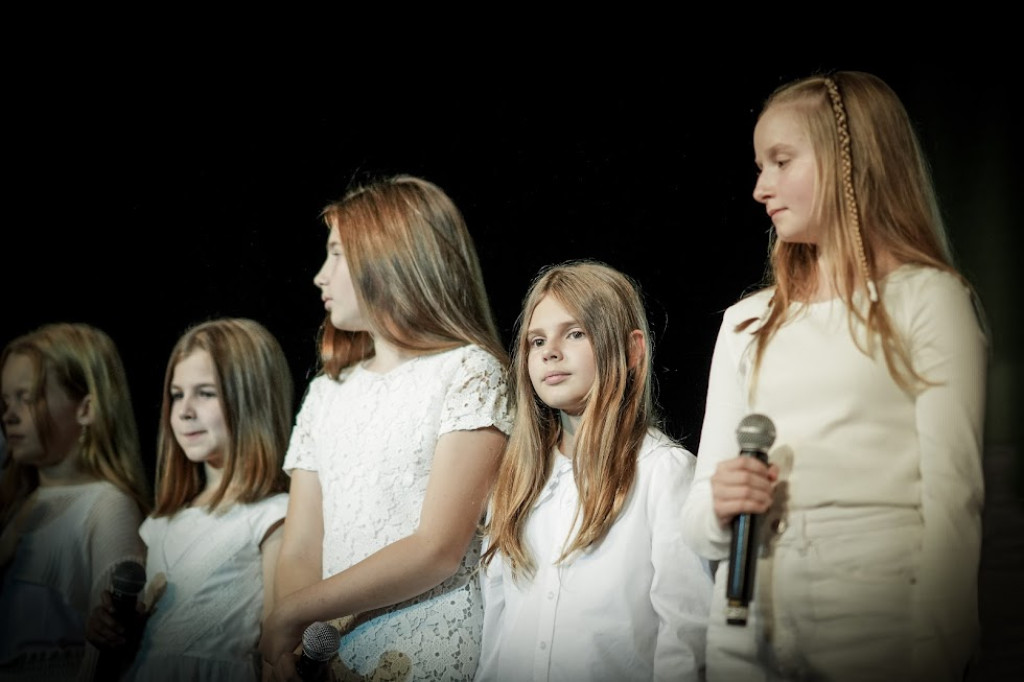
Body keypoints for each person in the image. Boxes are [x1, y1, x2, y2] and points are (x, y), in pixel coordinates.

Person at [679, 70, 989, 681]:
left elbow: (955, 502)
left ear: (852, 162)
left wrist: (939, 654)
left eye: (781, 161)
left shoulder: (929, 301)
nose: (760, 188)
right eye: (759, 165)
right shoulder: (747, 322)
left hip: (878, 631)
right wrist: (720, 507)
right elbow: (698, 521)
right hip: (747, 633)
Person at [259, 175, 512, 681]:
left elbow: (437, 547)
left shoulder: (470, 371)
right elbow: (302, 545)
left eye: (336, 254)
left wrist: (291, 613)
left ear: (389, 256)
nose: (319, 277)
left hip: (425, 646)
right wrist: (294, 642)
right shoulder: (326, 394)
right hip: (324, 651)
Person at [475, 260, 714, 682]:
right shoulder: (516, 479)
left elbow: (685, 631)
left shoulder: (663, 473)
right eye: (536, 340)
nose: (550, 350)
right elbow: (497, 624)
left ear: (631, 350)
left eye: (575, 333)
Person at [88, 317, 294, 681]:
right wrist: (118, 632)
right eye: (177, 394)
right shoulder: (158, 525)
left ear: (252, 398)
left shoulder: (272, 516)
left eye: (206, 393)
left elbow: (277, 648)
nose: (184, 411)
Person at [0, 322, 150, 681]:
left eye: (28, 397)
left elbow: (112, 640)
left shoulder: (106, 506)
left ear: (86, 408)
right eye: (5, 401)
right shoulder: (15, 503)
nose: (8, 415)